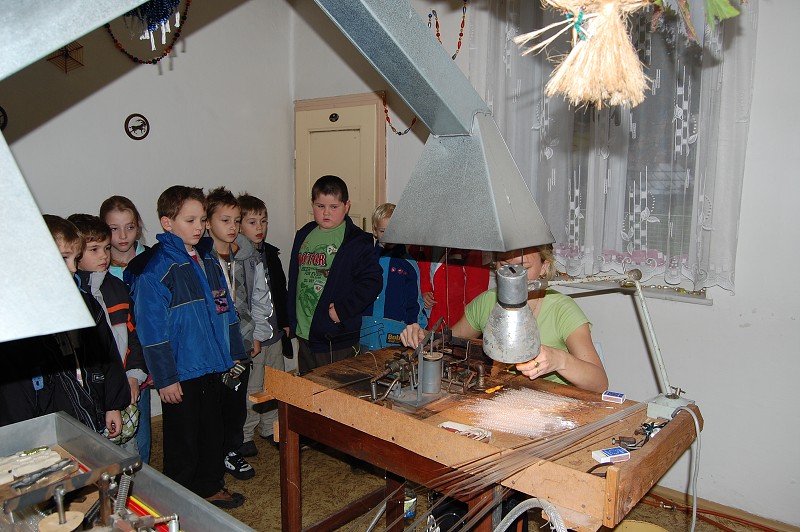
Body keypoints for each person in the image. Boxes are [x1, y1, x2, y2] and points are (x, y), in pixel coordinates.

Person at [131, 186, 246, 509]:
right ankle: (179, 500)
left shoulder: (208, 259)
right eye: (190, 220)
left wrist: (234, 352)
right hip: (181, 370)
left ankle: (209, 486)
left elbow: (226, 309)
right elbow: (151, 333)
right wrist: (165, 378)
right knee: (183, 438)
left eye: (202, 219)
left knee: (212, 431)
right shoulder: (155, 270)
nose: (199, 227)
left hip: (214, 363)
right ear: (167, 223)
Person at [401, 245, 608, 393]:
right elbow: (445, 342)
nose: (513, 275)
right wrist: (421, 335)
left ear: (544, 267)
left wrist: (559, 360)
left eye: (523, 268)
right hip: (502, 398)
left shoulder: (562, 310)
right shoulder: (487, 302)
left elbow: (600, 383)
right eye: (504, 266)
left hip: (553, 406)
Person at [0, 216, 129, 437]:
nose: (73, 268)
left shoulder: (85, 303)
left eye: (75, 258)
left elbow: (107, 354)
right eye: (63, 258)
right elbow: (14, 393)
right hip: (44, 427)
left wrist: (112, 404)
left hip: (88, 412)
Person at [204, 187, 272, 478]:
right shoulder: (202, 258)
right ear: (208, 223)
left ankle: (232, 451)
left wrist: (257, 333)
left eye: (235, 221)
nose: (232, 227)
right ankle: (211, 453)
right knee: (213, 403)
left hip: (241, 341)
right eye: (225, 221)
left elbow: (260, 297)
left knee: (235, 400)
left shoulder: (249, 257)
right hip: (212, 345)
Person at [68, 214, 148, 452]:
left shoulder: (117, 288)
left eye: (105, 248)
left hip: (123, 385)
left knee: (133, 450)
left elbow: (134, 337)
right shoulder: (71, 297)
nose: (104, 255)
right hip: (88, 394)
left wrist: (134, 376)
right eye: (94, 250)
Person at [287, 175, 382, 375]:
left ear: (347, 206)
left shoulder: (357, 241)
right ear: (312, 205)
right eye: (320, 206)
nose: (326, 212)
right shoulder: (303, 234)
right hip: (305, 332)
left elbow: (372, 282)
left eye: (334, 207)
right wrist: (290, 318)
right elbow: (295, 279)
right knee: (307, 388)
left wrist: (342, 310)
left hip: (336, 337)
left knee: (335, 390)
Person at [99, 195, 154, 464]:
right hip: (116, 358)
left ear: (138, 227)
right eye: (114, 229)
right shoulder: (98, 267)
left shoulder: (151, 259)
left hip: (146, 354)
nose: (123, 236)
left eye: (129, 227)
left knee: (140, 430)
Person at [237, 192, 290, 448]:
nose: (260, 227)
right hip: (254, 337)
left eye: (263, 221)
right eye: (252, 222)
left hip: (274, 333)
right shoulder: (239, 259)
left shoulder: (270, 253)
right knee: (253, 387)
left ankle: (270, 426)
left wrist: (285, 321)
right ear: (238, 225)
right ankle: (246, 434)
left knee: (275, 382)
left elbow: (280, 290)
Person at [360, 203, 427, 351]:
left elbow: (414, 301)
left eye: (393, 231)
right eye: (383, 231)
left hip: (395, 334)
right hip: (365, 330)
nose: (389, 236)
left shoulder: (408, 264)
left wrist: (416, 329)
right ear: (375, 231)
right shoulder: (366, 258)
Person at [415, 247, 490, 330]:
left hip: (459, 319)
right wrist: (425, 291)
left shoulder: (472, 250)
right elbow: (423, 269)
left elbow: (476, 290)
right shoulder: (427, 245)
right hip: (431, 315)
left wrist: (469, 320)